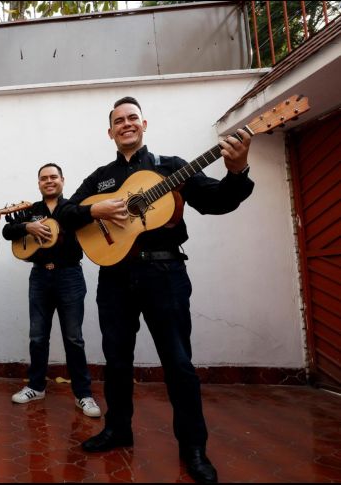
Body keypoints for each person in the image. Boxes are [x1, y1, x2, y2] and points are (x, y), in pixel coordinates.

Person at [61, 97, 253, 484]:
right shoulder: (100, 178)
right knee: (116, 359)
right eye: (119, 120)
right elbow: (64, 214)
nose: (126, 124)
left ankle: (193, 447)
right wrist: (93, 211)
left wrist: (237, 171)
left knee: (178, 363)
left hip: (164, 272)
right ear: (110, 131)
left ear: (144, 125)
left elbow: (216, 201)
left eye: (133, 118)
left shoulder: (172, 167)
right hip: (114, 277)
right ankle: (118, 429)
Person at [2, 163, 101, 418]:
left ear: (62, 181)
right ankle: (36, 387)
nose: (49, 181)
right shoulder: (31, 210)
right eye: (44, 178)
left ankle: (83, 394)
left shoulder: (73, 207)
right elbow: (6, 231)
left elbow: (92, 222)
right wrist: (27, 227)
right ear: (38, 183)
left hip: (69, 275)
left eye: (53, 177)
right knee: (37, 336)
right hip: (39, 277)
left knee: (74, 338)